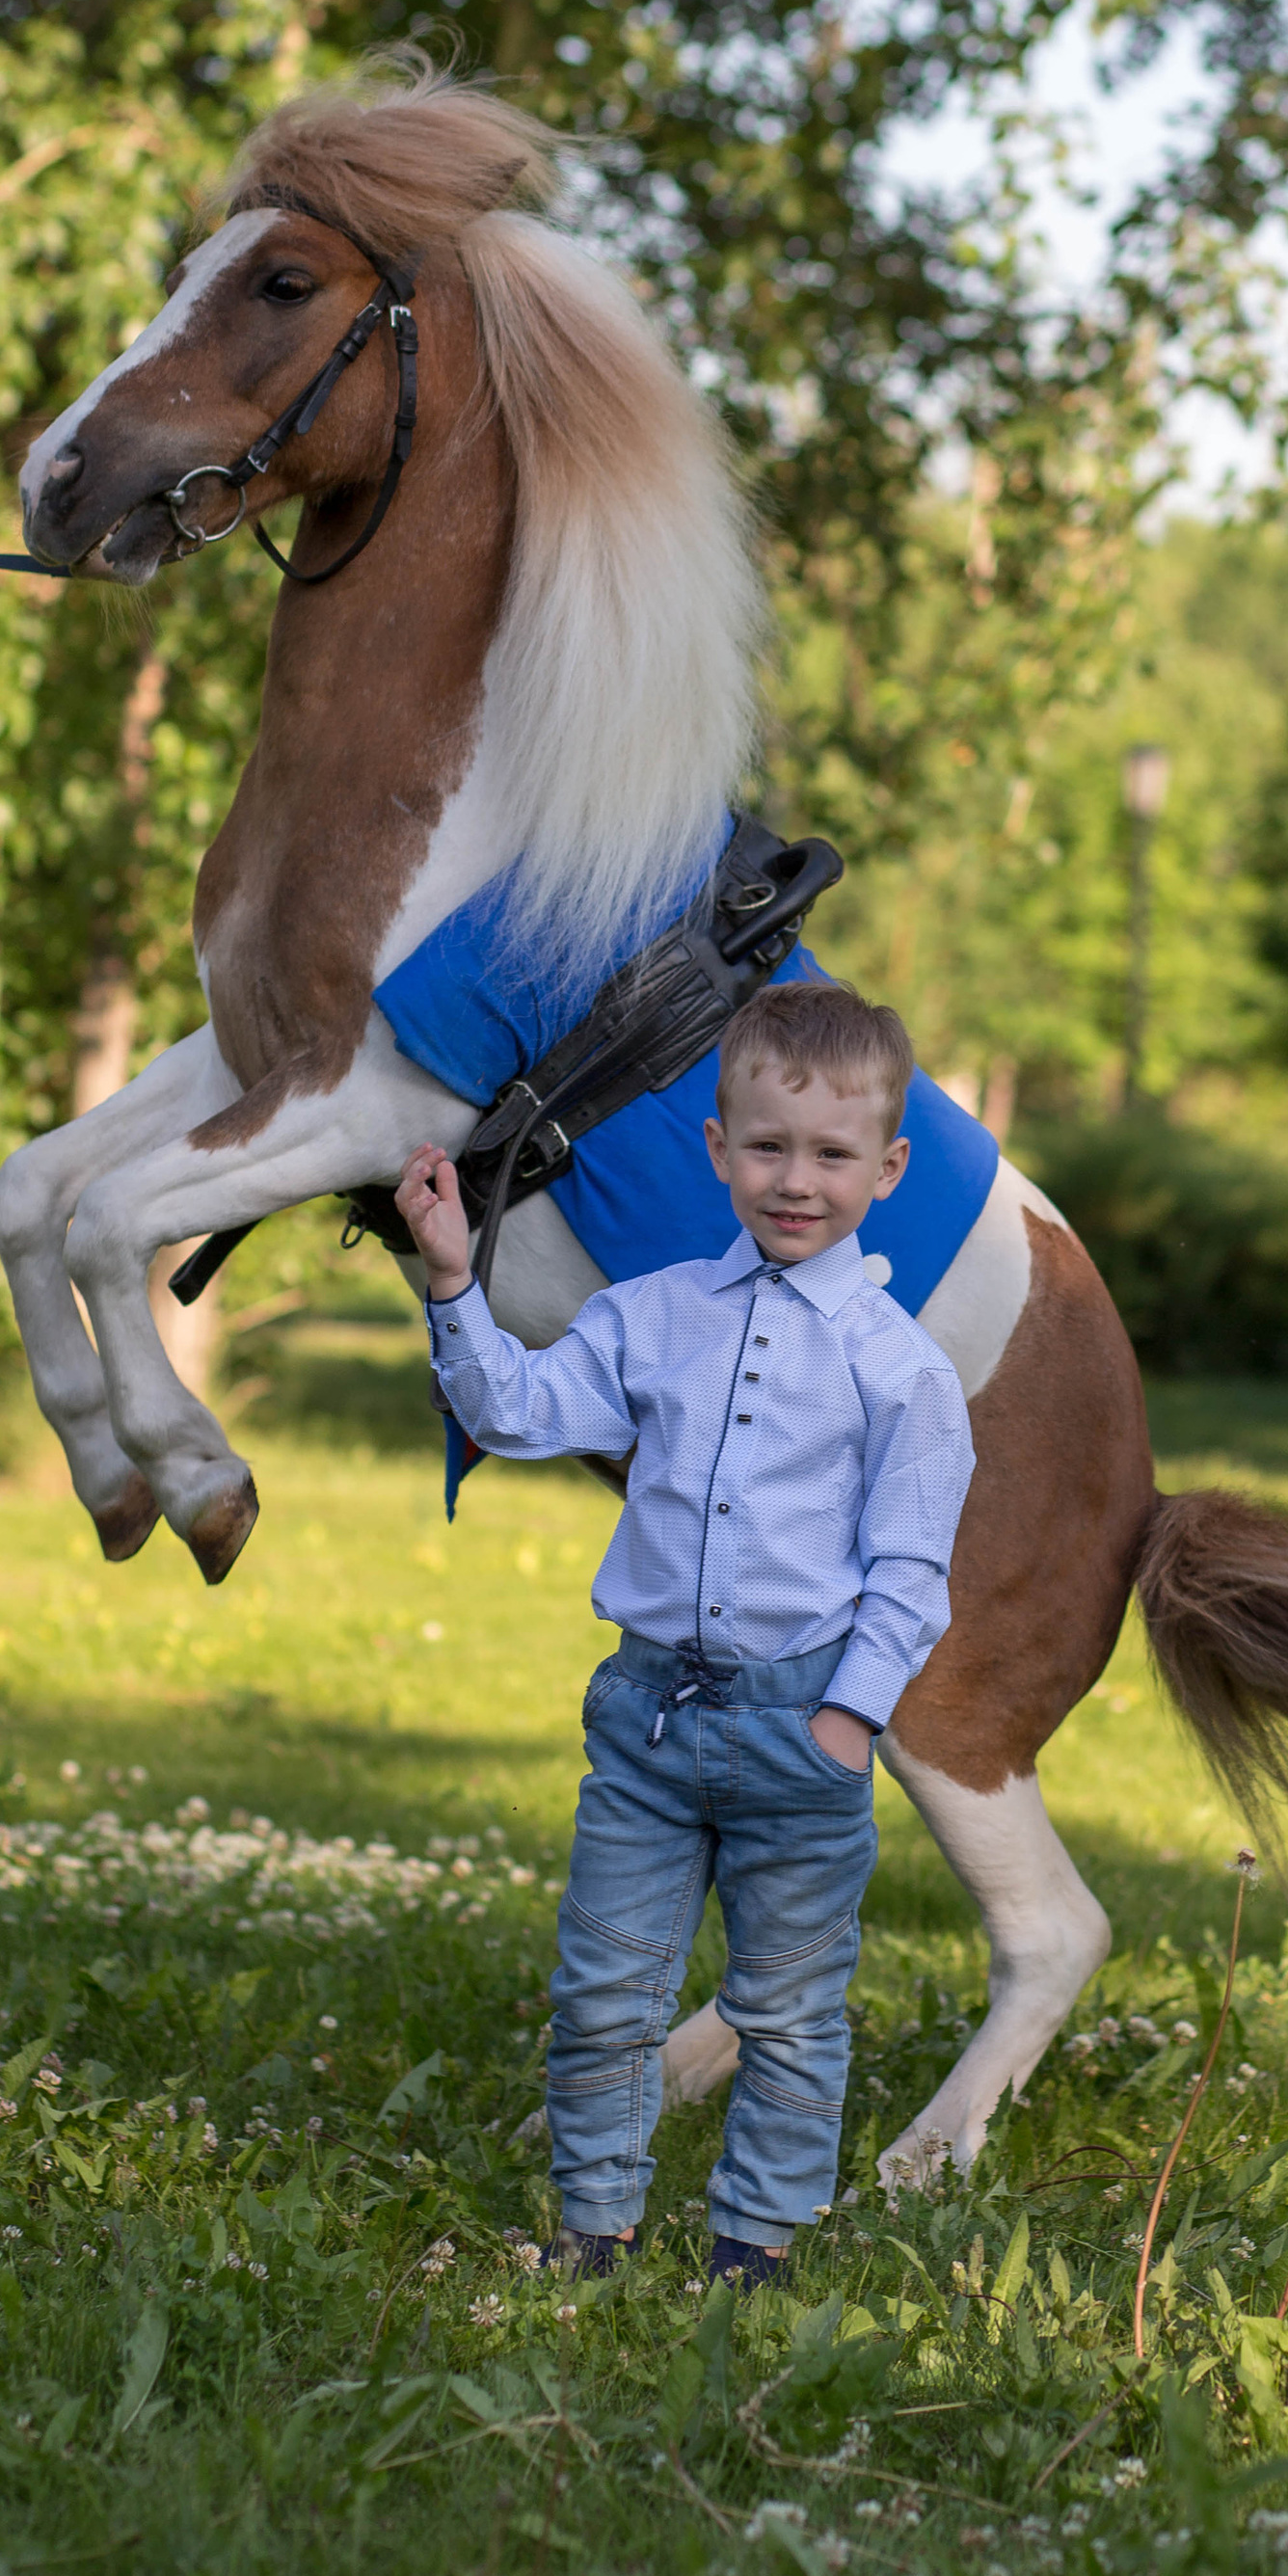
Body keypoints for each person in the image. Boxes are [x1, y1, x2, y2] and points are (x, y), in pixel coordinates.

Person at [395, 979, 975, 2287]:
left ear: (886, 1168)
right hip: (648, 1727)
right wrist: (453, 1280)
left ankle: (754, 2251)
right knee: (604, 1992)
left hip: (801, 1734)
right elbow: (519, 1410)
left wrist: (846, 1724)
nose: (796, 1180)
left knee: (788, 2009)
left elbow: (911, 1573)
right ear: (719, 1149)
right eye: (767, 1146)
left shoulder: (902, 1371)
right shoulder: (651, 1316)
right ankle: (592, 2231)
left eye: (832, 1155)